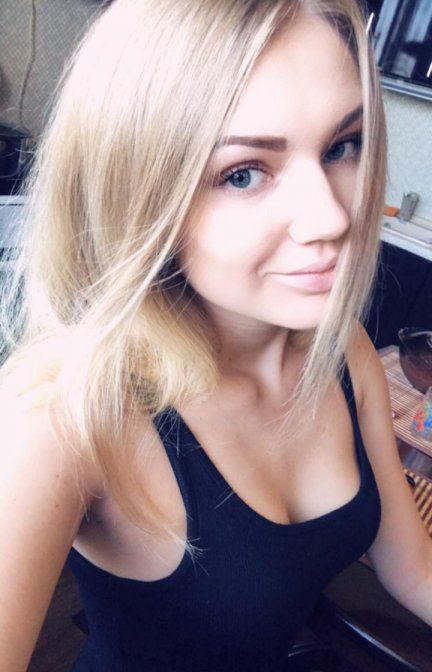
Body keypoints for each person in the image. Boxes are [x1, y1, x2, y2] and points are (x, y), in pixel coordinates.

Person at [0, 0, 431, 670]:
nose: (332, 217)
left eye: (341, 146)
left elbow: (411, 566)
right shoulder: (61, 408)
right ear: (138, 191)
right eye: (243, 173)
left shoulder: (341, 349)